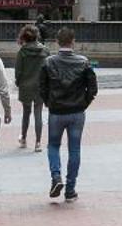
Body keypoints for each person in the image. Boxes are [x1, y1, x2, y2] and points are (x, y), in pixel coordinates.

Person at [40, 27, 98, 202]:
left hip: (56, 111)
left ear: (57, 42)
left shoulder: (49, 62)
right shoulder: (83, 62)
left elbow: (42, 87)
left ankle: (56, 176)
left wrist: (49, 103)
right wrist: (83, 103)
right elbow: (93, 88)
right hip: (76, 111)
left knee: (53, 145)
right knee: (74, 149)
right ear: (73, 41)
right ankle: (70, 188)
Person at [12, 25, 48, 150]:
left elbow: (18, 71)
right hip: (40, 86)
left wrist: (18, 82)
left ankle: (23, 139)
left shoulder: (22, 52)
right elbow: (48, 69)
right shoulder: (45, 51)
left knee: (26, 113)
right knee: (38, 113)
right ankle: (38, 143)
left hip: (25, 86)